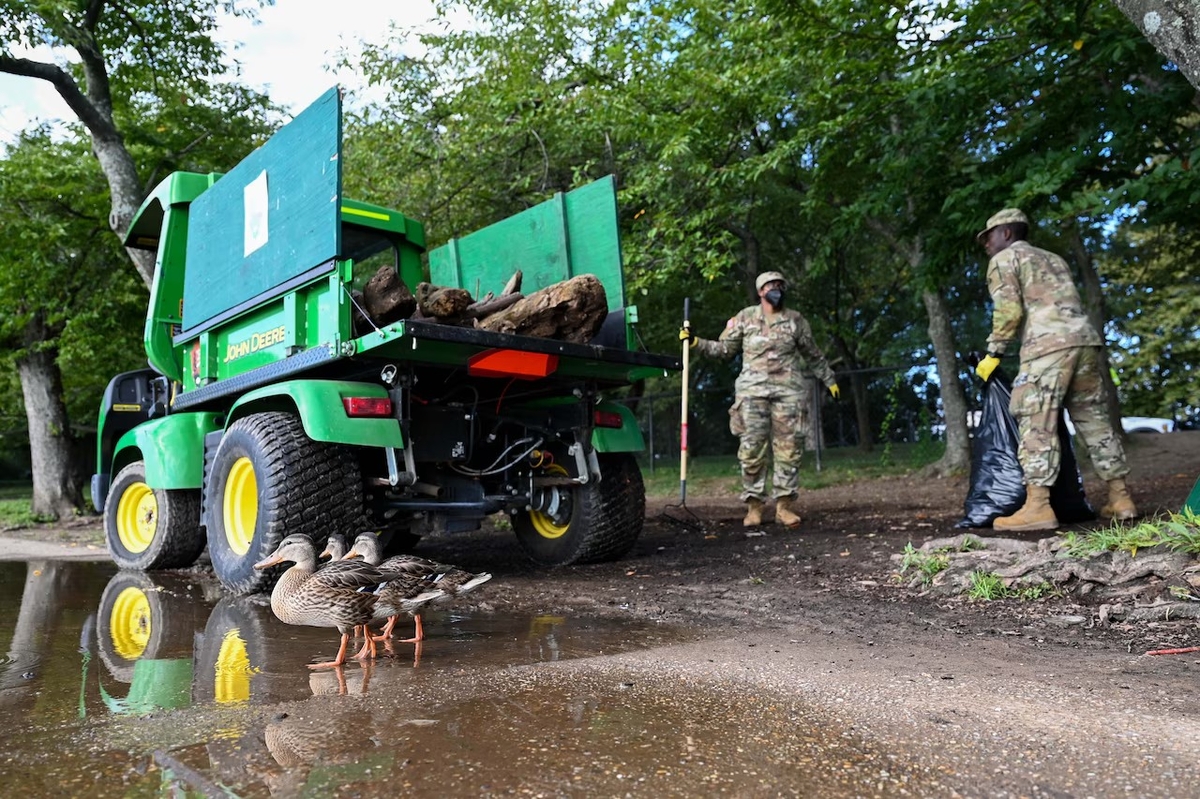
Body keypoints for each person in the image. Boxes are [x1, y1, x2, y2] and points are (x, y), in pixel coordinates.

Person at [974, 208, 1138, 531]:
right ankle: (1121, 499)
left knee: (1036, 420)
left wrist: (994, 352)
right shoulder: (1054, 259)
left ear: (1006, 233)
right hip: (1085, 343)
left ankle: (1037, 507)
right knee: (1095, 420)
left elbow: (1008, 310)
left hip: (1047, 347)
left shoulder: (1005, 260)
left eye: (989, 237)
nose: (986, 245)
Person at [680, 271, 839, 528]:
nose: (776, 289)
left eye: (780, 285)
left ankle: (784, 507)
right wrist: (696, 342)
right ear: (760, 292)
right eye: (770, 286)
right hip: (752, 394)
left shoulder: (796, 320)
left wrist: (829, 380)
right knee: (751, 450)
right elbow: (723, 349)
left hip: (789, 393)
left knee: (789, 450)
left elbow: (813, 354)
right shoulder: (745, 317)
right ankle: (754, 506)